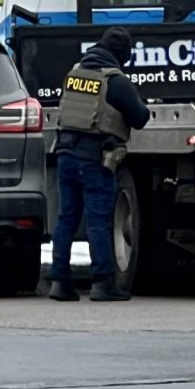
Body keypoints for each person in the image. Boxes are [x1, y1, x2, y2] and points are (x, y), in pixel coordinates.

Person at [49, 26, 151, 302]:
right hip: (93, 158)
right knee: (98, 221)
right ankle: (103, 283)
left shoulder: (75, 72)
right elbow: (140, 117)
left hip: (65, 154)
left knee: (66, 219)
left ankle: (59, 282)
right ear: (121, 54)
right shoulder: (115, 80)